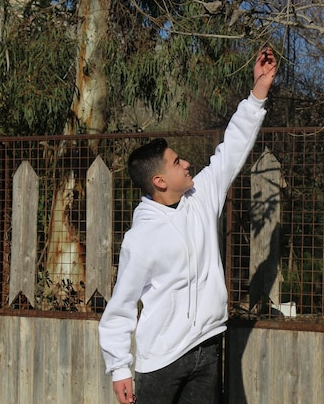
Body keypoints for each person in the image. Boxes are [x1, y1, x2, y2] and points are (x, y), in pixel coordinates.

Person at [99, 48, 277, 404]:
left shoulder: (201, 196)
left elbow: (232, 151)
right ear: (159, 181)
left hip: (208, 348)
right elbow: (121, 305)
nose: (187, 164)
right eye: (177, 162)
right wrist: (119, 367)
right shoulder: (141, 238)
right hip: (161, 363)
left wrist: (258, 92)